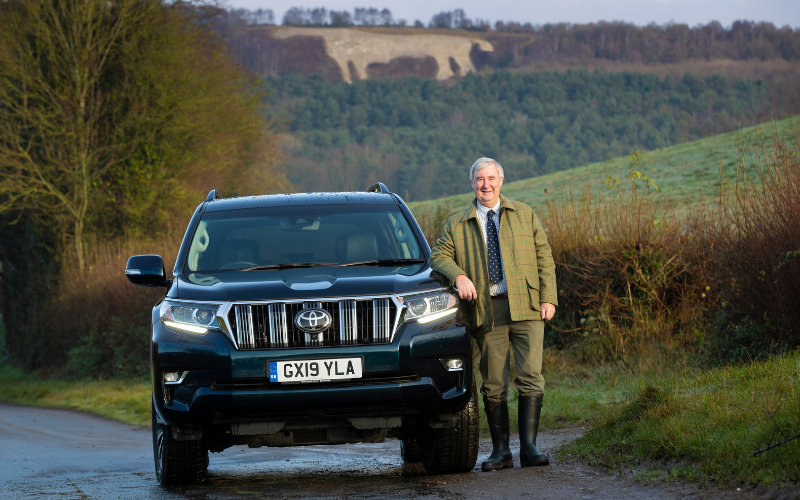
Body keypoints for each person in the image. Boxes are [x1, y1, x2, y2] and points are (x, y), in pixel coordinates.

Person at [430, 157, 557, 471]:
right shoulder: (457, 223)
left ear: (501, 181)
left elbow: (545, 257)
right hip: (487, 309)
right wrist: (458, 276)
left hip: (527, 304)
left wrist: (548, 298)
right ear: (472, 183)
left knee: (530, 376)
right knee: (493, 382)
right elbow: (438, 255)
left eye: (491, 178)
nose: (485, 185)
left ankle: (529, 448)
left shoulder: (524, 214)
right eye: (479, 180)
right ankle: (501, 452)